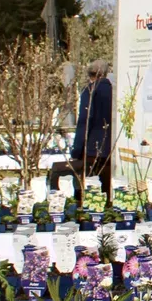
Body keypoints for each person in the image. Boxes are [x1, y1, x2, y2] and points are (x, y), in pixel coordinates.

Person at [48, 59, 112, 204]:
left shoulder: (90, 91)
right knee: (107, 188)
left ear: (90, 74)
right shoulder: (114, 90)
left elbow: (85, 121)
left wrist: (77, 150)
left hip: (92, 148)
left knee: (90, 188)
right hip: (110, 147)